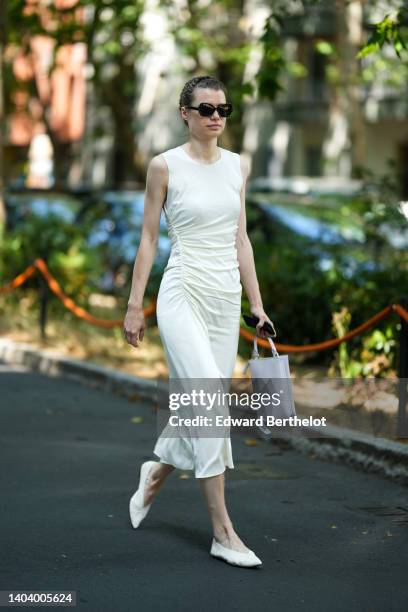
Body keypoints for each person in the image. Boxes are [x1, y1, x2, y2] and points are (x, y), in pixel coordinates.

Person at [123, 75, 275, 568]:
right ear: (185, 113)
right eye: (206, 108)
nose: (215, 117)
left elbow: (242, 239)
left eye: (223, 110)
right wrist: (133, 304)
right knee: (209, 408)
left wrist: (257, 305)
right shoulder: (164, 166)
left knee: (201, 401)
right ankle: (223, 532)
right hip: (182, 292)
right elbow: (148, 238)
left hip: (224, 299)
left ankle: (158, 470)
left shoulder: (237, 166)